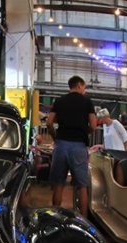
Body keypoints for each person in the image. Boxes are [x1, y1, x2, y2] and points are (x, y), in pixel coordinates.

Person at [46, 75, 97, 218]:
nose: (84, 91)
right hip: (78, 146)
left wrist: (56, 137)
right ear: (80, 85)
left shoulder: (59, 101)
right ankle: (84, 221)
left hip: (61, 145)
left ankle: (55, 217)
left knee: (59, 184)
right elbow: (93, 125)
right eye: (84, 88)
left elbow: (49, 123)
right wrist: (84, 133)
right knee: (82, 185)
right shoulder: (87, 102)